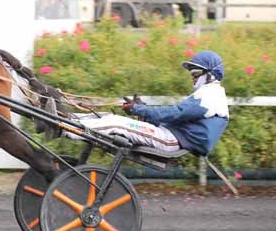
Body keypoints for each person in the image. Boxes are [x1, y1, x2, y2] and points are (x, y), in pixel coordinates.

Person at [72, 51, 229, 155]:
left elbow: (175, 113)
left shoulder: (211, 95)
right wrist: (142, 109)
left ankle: (67, 129)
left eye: (196, 73)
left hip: (171, 140)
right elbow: (175, 117)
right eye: (191, 73)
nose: (192, 77)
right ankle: (70, 119)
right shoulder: (209, 94)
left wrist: (138, 109)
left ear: (211, 75)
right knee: (105, 116)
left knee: (114, 123)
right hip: (169, 135)